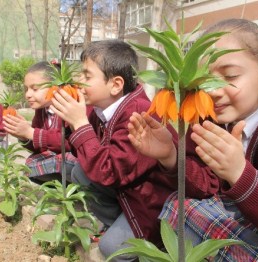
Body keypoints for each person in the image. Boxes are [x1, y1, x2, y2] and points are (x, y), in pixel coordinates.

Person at [127, 18, 258, 261]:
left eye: (230, 76)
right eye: (203, 79)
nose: (212, 91)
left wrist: (239, 173)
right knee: (176, 204)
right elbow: (205, 187)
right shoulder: (208, 117)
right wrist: (171, 155)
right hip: (242, 214)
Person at [50, 39, 179, 261]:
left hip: (153, 204)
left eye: (87, 76)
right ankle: (119, 224)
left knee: (112, 250)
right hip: (129, 192)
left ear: (116, 84)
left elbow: (109, 171)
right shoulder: (101, 108)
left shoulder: (137, 115)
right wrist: (70, 120)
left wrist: (80, 124)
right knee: (79, 172)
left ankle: (149, 241)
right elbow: (77, 146)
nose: (80, 81)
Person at [2, 61, 77, 183]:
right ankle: (62, 190)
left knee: (62, 161)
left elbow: (70, 144)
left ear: (55, 87)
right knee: (30, 164)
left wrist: (31, 132)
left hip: (74, 157)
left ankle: (78, 192)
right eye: (26, 89)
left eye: (35, 89)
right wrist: (23, 136)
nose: (28, 94)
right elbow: (39, 149)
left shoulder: (71, 107)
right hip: (58, 158)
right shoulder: (41, 111)